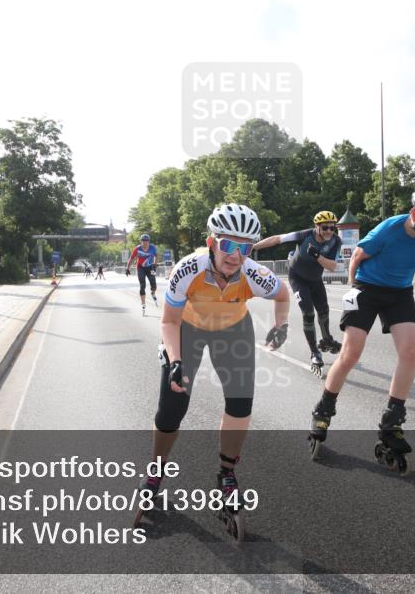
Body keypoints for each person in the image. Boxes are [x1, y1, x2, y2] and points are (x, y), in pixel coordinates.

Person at [136, 203, 290, 539]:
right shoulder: (187, 269)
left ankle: (227, 473)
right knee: (172, 406)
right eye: (228, 245)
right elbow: (168, 321)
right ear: (211, 242)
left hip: (232, 329)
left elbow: (283, 293)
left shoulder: (253, 274)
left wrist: (281, 325)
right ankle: (156, 469)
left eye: (245, 247)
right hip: (187, 328)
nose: (235, 255)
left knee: (240, 402)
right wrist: (176, 362)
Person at [308, 185, 415, 474]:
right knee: (351, 353)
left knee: (410, 351)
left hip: (400, 292)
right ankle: (323, 410)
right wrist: (352, 290)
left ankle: (392, 424)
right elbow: (357, 257)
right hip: (366, 288)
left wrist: (399, 273)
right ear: (414, 214)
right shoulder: (388, 230)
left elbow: (414, 255)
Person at [253, 211, 343, 377]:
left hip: (315, 280)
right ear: (317, 227)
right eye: (325, 227)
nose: (329, 231)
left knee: (324, 311)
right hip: (298, 279)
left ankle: (327, 339)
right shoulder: (304, 235)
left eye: (332, 227)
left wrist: (317, 256)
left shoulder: (336, 241)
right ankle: (315, 353)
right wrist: (252, 247)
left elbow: (331, 266)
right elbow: (276, 239)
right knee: (308, 314)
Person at [125, 234, 159, 315]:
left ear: (149, 241)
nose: (145, 243)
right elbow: (131, 258)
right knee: (142, 285)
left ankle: (152, 293)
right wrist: (127, 268)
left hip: (150, 267)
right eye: (143, 241)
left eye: (147, 241)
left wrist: (155, 264)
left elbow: (157, 256)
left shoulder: (152, 248)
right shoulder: (137, 249)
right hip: (140, 268)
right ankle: (143, 304)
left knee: (154, 285)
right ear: (141, 241)